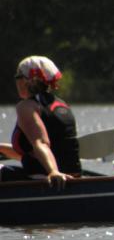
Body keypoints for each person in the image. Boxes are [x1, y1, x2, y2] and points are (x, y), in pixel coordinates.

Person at [0, 56, 81, 188]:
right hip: (73, 175)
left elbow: (41, 143)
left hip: (46, 178)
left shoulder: (26, 106)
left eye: (17, 77)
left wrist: (53, 171)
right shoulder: (62, 105)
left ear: (26, 80)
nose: (16, 81)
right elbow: (35, 153)